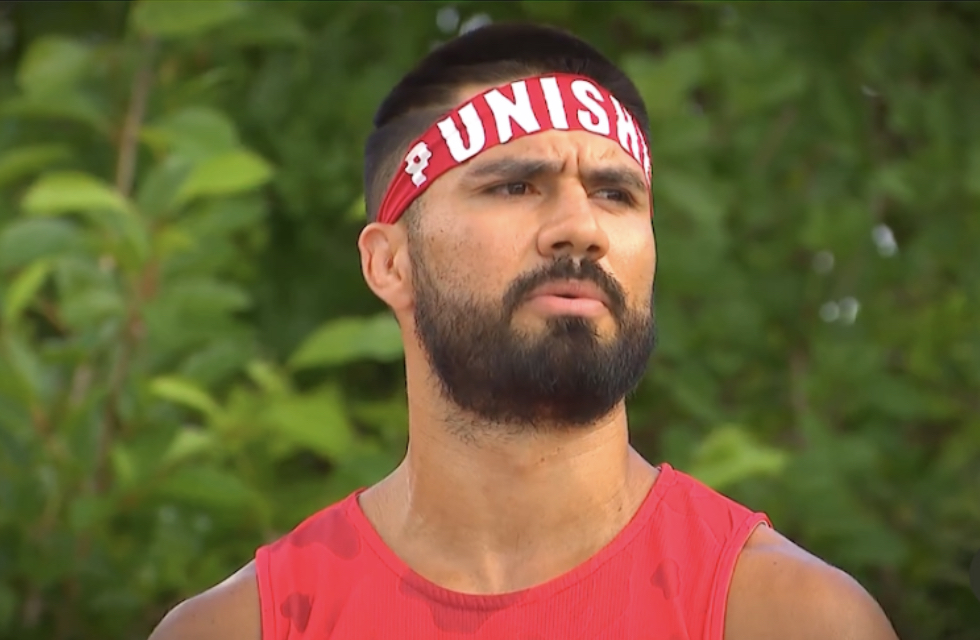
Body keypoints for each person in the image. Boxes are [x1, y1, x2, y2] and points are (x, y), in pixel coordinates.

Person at [148, 21, 900, 640]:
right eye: (515, 185)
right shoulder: (247, 626)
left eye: (615, 194)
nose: (580, 227)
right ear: (390, 263)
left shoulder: (786, 617)